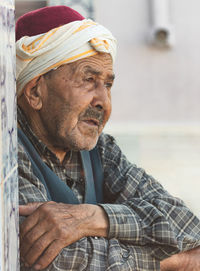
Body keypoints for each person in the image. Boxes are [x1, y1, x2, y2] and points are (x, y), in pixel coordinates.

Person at [16, 5, 200, 271]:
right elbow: (59, 261)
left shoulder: (99, 150)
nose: (103, 101)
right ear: (35, 92)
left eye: (108, 85)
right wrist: (176, 261)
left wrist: (94, 217)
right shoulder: (8, 154)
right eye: (88, 80)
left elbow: (184, 224)